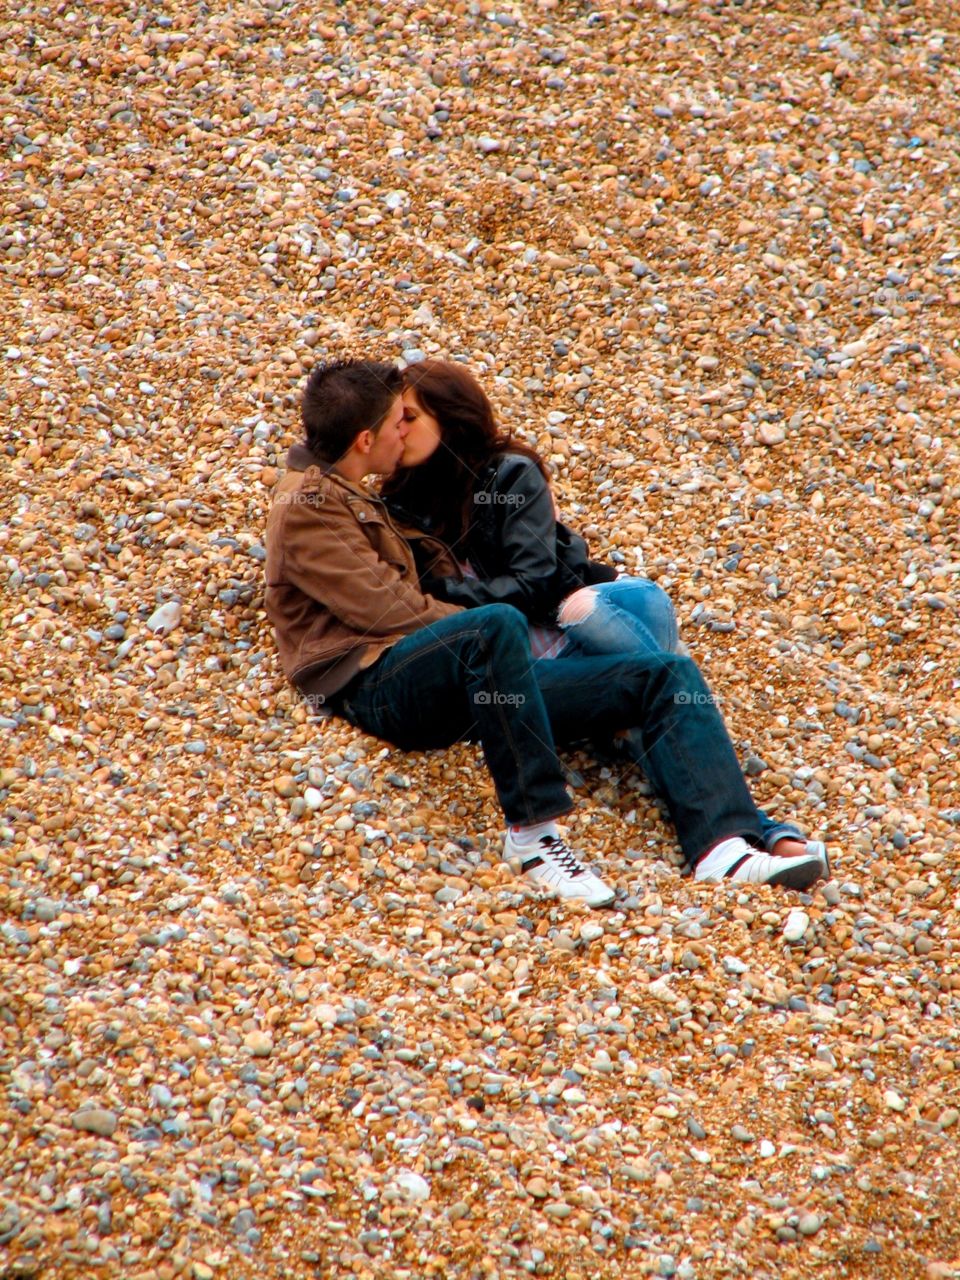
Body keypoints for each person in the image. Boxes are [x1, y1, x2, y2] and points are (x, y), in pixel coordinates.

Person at [264, 358, 826, 910]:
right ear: (366, 439)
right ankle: (534, 839)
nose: (401, 432)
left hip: (462, 677)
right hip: (375, 682)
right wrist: (491, 634)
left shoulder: (367, 491)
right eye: (396, 423)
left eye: (410, 419)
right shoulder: (310, 503)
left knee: (665, 675)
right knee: (497, 627)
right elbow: (391, 611)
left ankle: (722, 846)